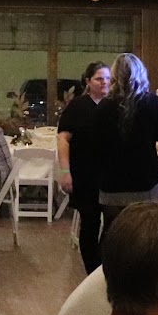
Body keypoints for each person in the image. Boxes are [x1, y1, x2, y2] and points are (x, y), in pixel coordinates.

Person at [94, 52, 158, 223]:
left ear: (114, 76)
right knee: (143, 232)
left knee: (111, 229)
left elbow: (96, 142)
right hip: (144, 179)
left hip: (111, 180)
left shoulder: (104, 106)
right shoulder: (152, 102)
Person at [57, 59, 112, 272]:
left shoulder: (114, 105)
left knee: (112, 224)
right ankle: (92, 270)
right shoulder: (78, 106)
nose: (104, 83)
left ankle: (105, 268)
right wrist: (65, 171)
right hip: (85, 174)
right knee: (89, 224)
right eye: (99, 79)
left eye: (108, 79)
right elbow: (63, 139)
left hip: (110, 175)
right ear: (88, 81)